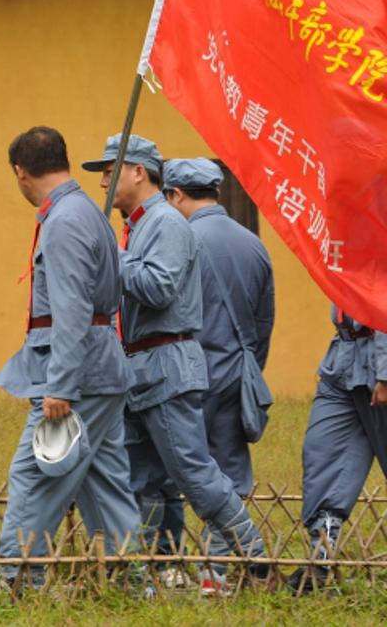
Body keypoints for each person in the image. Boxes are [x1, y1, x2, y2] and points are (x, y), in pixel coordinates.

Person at [82, 134, 269, 596]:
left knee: (192, 471)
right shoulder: (139, 224)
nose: (104, 180)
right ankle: (140, 578)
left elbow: (159, 287)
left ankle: (256, 558)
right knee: (137, 476)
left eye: (110, 169)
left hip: (165, 363)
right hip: (138, 368)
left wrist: (111, 259)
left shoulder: (164, 223)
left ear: (138, 172)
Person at [0, 127, 140, 590]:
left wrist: (61, 385)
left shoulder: (65, 221)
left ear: (20, 172)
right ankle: (126, 576)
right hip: (102, 368)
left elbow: (72, 309)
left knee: (36, 473)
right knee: (104, 477)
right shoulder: (86, 212)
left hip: (80, 375)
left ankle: (18, 578)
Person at [155, 158, 275, 579]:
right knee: (229, 473)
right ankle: (218, 573)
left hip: (186, 371)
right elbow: (263, 321)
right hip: (237, 373)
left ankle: (165, 566)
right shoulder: (253, 243)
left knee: (176, 470)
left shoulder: (180, 240)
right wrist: (248, 368)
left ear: (176, 195)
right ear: (217, 192)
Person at [288, 309, 387, 594]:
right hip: (343, 361)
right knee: (322, 452)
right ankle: (321, 557)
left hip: (379, 361)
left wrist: (385, 373)